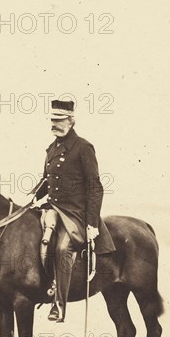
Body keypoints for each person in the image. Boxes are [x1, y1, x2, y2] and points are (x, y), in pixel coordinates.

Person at [30, 99, 115, 322]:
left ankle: (59, 304)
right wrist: (31, 197)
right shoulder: (52, 149)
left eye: (59, 120)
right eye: (52, 120)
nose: (54, 124)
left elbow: (95, 187)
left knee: (62, 248)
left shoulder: (83, 147)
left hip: (76, 213)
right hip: (54, 208)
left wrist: (92, 223)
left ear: (71, 120)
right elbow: (47, 181)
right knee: (36, 238)